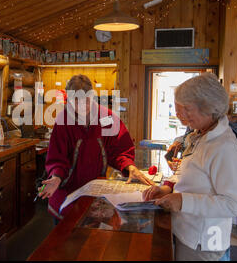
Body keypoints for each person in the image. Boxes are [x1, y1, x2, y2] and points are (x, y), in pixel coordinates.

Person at [143, 73, 237, 261]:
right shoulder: (200, 134)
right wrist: (167, 188)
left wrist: (183, 201)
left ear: (208, 108)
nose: (179, 114)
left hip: (205, 241)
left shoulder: (225, 147)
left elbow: (235, 204)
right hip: (188, 232)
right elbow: (189, 175)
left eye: (186, 109)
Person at [39, 74, 154, 221]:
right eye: (75, 101)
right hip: (66, 193)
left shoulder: (107, 118)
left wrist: (129, 167)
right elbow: (57, 158)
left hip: (95, 192)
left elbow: (119, 150)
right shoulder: (63, 121)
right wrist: (56, 176)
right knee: (65, 239)